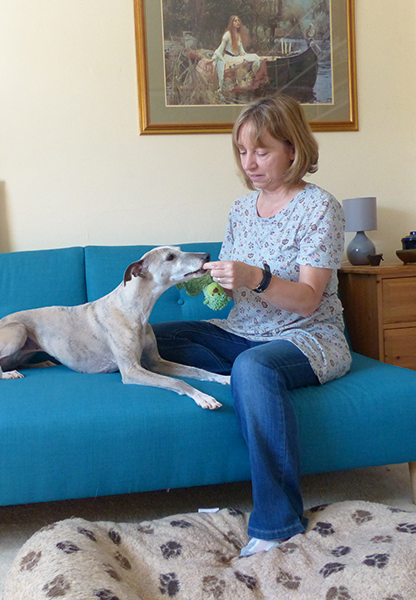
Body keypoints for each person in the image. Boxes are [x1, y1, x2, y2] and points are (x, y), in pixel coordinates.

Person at [153, 94, 351, 557]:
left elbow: (308, 299)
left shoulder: (320, 207)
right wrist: (211, 281)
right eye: (242, 151)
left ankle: (278, 524)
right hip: (240, 333)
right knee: (145, 339)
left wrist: (253, 277)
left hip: (307, 337)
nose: (249, 163)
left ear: (292, 148)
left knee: (254, 368)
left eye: (262, 151)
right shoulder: (241, 209)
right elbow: (231, 290)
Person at [212, 15, 261, 92]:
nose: (237, 22)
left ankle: (254, 75)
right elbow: (220, 49)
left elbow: (241, 50)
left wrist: (242, 53)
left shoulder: (238, 35)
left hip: (236, 57)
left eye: (238, 21)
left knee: (255, 56)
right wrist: (213, 58)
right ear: (231, 23)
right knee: (252, 57)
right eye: (235, 21)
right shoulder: (228, 34)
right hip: (229, 58)